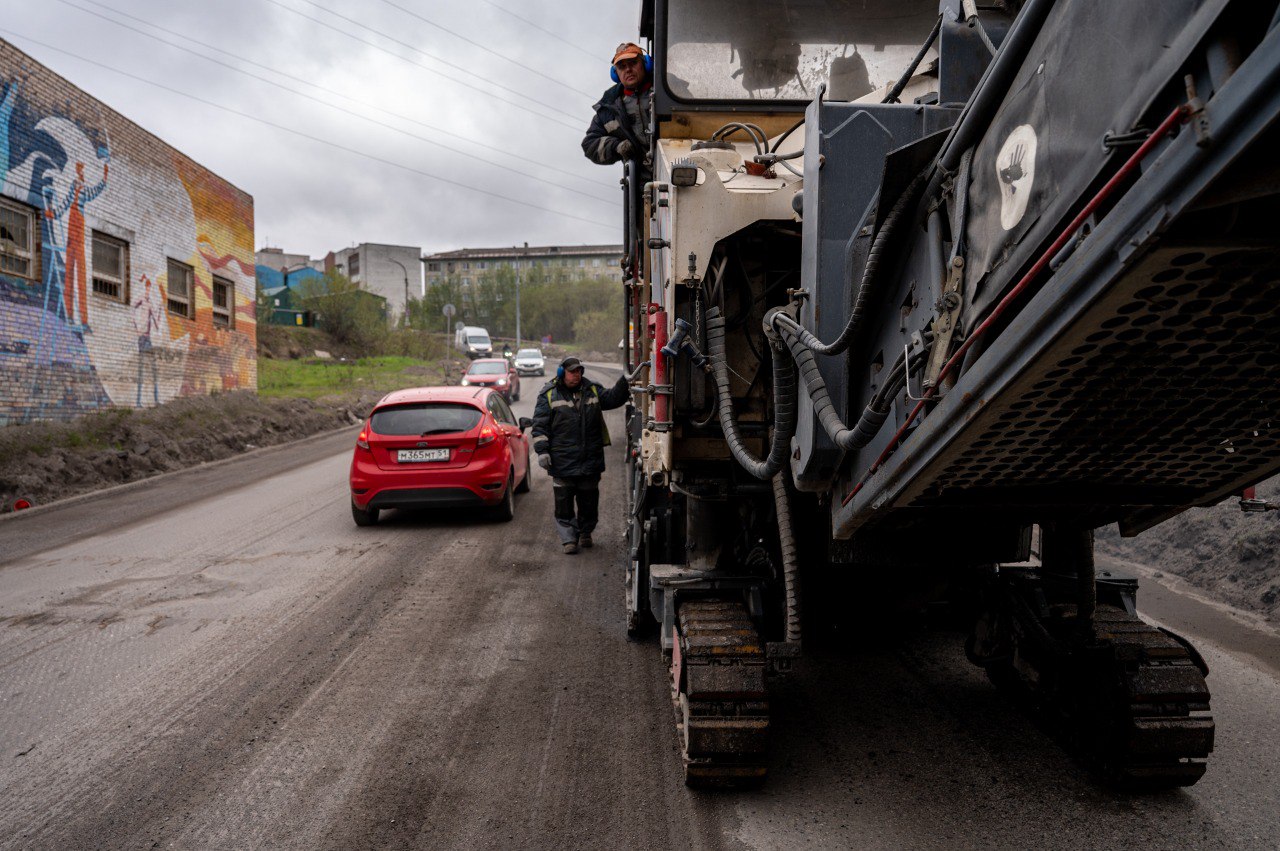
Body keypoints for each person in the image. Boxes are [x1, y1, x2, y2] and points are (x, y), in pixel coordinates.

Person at [532, 356, 630, 554]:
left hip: (589, 460)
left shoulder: (591, 389)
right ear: (562, 373)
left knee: (589, 501)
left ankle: (585, 532)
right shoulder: (549, 395)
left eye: (578, 371)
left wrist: (626, 381)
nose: (576, 375)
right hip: (562, 461)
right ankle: (569, 539)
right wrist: (542, 452)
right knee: (564, 505)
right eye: (572, 372)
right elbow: (539, 425)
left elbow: (612, 399)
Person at [582, 42, 653, 181]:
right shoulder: (608, 109)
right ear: (616, 73)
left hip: (680, 174)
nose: (628, 70)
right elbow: (589, 144)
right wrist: (616, 146)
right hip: (641, 188)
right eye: (622, 66)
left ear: (645, 64)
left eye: (633, 63)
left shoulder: (669, 91)